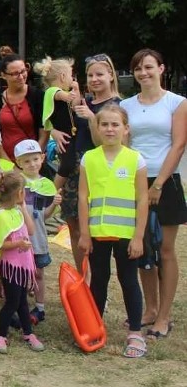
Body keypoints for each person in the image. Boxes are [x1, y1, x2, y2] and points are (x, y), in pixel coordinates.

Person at [120, 48, 186, 339]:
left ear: (161, 68)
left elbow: (179, 144)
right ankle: (149, 309)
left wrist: (158, 184)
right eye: (137, 69)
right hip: (135, 182)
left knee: (166, 250)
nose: (143, 73)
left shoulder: (177, 103)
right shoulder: (127, 105)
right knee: (142, 248)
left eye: (148, 67)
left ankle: (164, 316)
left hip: (166, 182)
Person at [78, 105, 148, 357]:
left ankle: (135, 333)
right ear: (97, 128)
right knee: (99, 279)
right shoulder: (89, 158)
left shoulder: (135, 159)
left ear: (125, 129)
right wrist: (85, 233)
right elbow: (83, 197)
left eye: (115, 124)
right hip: (97, 232)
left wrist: (139, 236)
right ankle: (95, 326)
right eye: (104, 124)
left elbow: (142, 199)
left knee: (128, 280)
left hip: (126, 233)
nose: (109, 129)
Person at [59, 53, 121, 271]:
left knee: (93, 229)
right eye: (90, 75)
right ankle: (82, 276)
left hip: (100, 172)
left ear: (111, 75)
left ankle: (96, 281)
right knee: (74, 226)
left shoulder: (117, 105)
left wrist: (92, 118)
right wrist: (57, 132)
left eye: (100, 74)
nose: (94, 79)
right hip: (76, 169)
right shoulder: (84, 102)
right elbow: (68, 128)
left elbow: (110, 142)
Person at [0, 171, 44, 354]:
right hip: (11, 267)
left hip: (23, 266)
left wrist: (24, 208)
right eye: (23, 190)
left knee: (22, 302)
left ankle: (28, 333)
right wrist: (18, 243)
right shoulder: (1, 215)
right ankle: (1, 336)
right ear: (19, 193)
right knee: (12, 302)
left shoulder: (18, 212)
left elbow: (32, 230)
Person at [14, 139, 60, 323]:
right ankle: (20, 307)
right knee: (20, 275)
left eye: (35, 159)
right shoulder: (17, 183)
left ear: (42, 158)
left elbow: (43, 216)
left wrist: (54, 206)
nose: (32, 164)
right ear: (18, 163)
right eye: (26, 161)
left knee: (39, 273)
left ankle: (40, 308)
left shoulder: (46, 185)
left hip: (39, 238)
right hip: (20, 238)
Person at [0, 53, 46, 161]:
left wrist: (35, 160)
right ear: (4, 75)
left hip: (33, 162)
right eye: (15, 73)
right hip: (6, 161)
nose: (21, 76)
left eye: (23, 71)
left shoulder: (38, 96)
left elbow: (44, 132)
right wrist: (10, 167)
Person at [33, 56, 80, 190]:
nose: (72, 79)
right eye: (71, 75)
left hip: (68, 133)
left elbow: (74, 105)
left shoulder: (60, 91)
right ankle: (52, 190)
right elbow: (65, 97)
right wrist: (73, 92)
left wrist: (75, 91)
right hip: (64, 134)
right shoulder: (52, 91)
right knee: (67, 164)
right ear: (63, 76)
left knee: (70, 163)